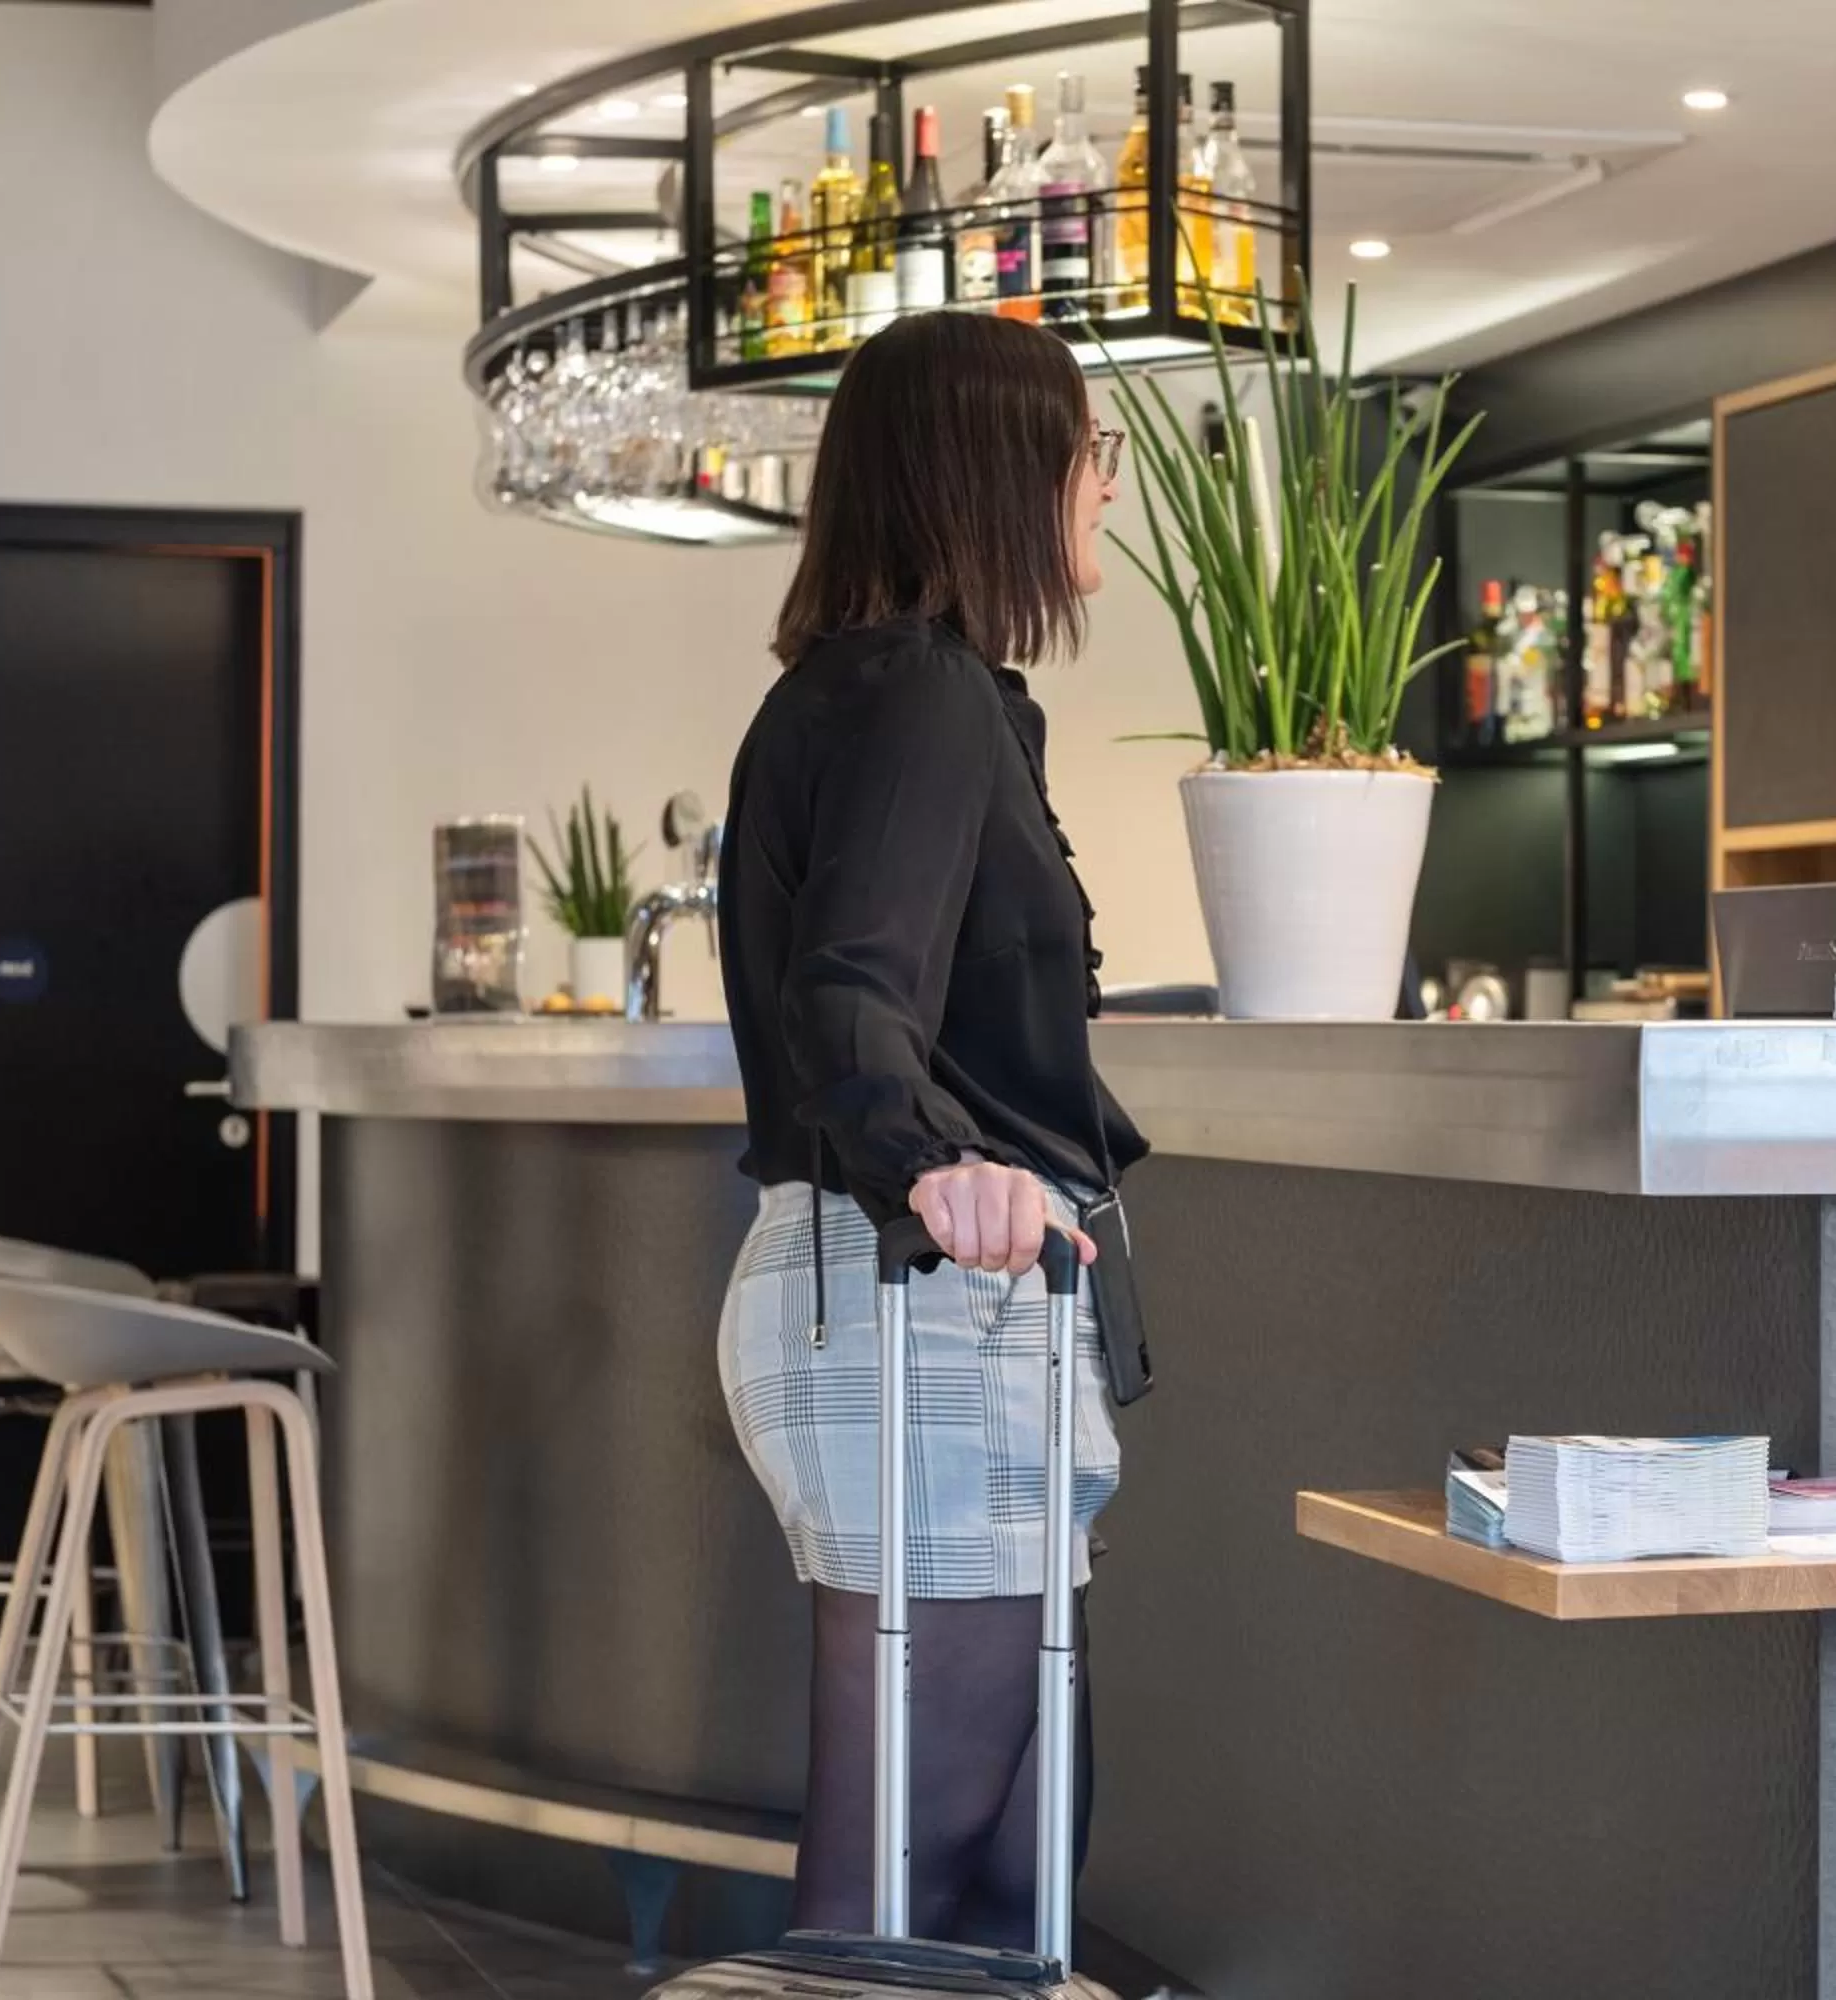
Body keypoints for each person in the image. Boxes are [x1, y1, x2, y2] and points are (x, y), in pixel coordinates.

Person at [715, 308, 1145, 1948]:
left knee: (1002, 1884)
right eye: (1090, 450)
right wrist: (937, 1162)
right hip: (919, 1304)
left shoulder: (902, 693)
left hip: (947, 1313)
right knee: (914, 1894)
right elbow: (849, 988)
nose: (1104, 484)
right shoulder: (915, 694)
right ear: (1000, 469)